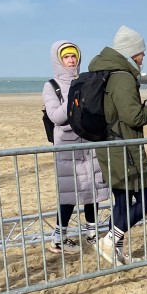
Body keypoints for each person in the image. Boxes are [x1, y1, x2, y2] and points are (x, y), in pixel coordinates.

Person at [87, 26, 147, 266]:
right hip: (123, 149)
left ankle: (116, 252)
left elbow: (122, 112)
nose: (144, 57)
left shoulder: (107, 71)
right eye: (142, 52)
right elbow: (133, 117)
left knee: (122, 203)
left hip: (111, 146)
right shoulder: (122, 76)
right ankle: (110, 240)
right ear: (131, 52)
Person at [43, 40, 110, 254]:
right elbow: (55, 117)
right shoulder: (50, 85)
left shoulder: (85, 80)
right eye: (66, 57)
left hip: (89, 142)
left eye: (74, 57)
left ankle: (92, 234)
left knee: (93, 190)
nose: (71, 61)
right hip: (68, 147)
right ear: (58, 60)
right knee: (70, 193)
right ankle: (58, 238)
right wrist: (74, 96)